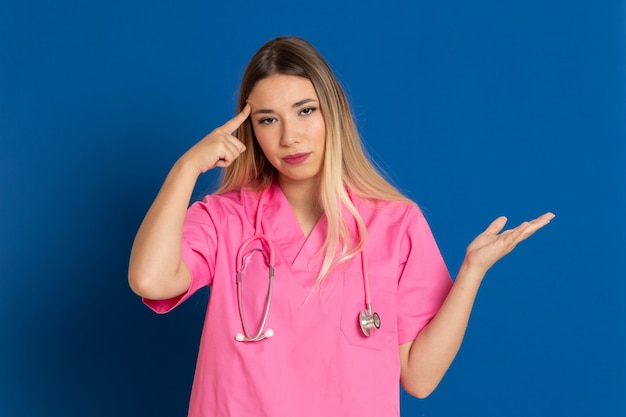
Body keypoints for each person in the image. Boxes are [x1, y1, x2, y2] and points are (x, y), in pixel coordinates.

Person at [128, 36, 554, 417]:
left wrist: (471, 273)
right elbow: (150, 279)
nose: (290, 137)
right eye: (268, 120)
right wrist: (186, 168)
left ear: (333, 112)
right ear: (251, 130)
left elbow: (419, 379)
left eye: (305, 111)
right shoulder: (226, 218)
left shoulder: (395, 224)